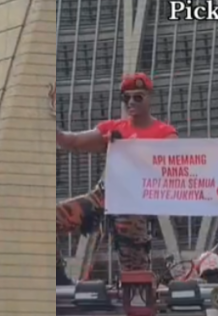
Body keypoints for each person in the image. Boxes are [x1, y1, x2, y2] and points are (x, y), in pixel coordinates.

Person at [56, 73, 177, 277]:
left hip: (135, 203)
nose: (131, 102)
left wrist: (129, 148)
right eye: (126, 97)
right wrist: (49, 126)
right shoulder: (115, 128)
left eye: (138, 97)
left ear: (149, 97)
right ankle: (58, 276)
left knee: (134, 269)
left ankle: (137, 295)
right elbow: (73, 142)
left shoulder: (164, 133)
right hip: (104, 196)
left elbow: (171, 166)